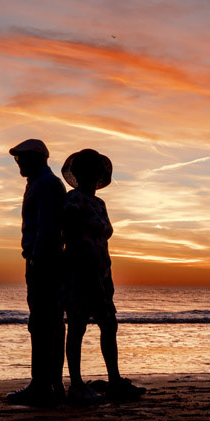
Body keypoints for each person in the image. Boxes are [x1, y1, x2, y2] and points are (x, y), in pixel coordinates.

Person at [61, 148, 144, 403]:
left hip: (102, 271)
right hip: (80, 272)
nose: (93, 176)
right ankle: (75, 384)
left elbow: (102, 237)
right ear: (80, 174)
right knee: (77, 326)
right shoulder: (73, 200)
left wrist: (104, 277)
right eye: (88, 171)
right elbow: (69, 236)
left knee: (109, 325)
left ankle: (115, 380)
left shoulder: (99, 203)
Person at [7, 138, 66, 405]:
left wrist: (37, 259)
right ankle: (48, 383)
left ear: (37, 158)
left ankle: (43, 384)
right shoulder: (39, 183)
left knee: (44, 322)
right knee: (45, 322)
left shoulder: (46, 184)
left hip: (44, 261)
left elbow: (48, 227)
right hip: (40, 259)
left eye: (22, 159)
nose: (18, 163)